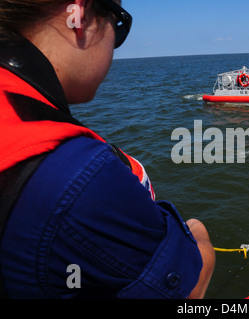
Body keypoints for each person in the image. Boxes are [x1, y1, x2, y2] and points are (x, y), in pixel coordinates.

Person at [0, 0, 215, 299]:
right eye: (119, 25)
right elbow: (188, 288)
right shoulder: (78, 179)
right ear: (79, 14)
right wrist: (198, 234)